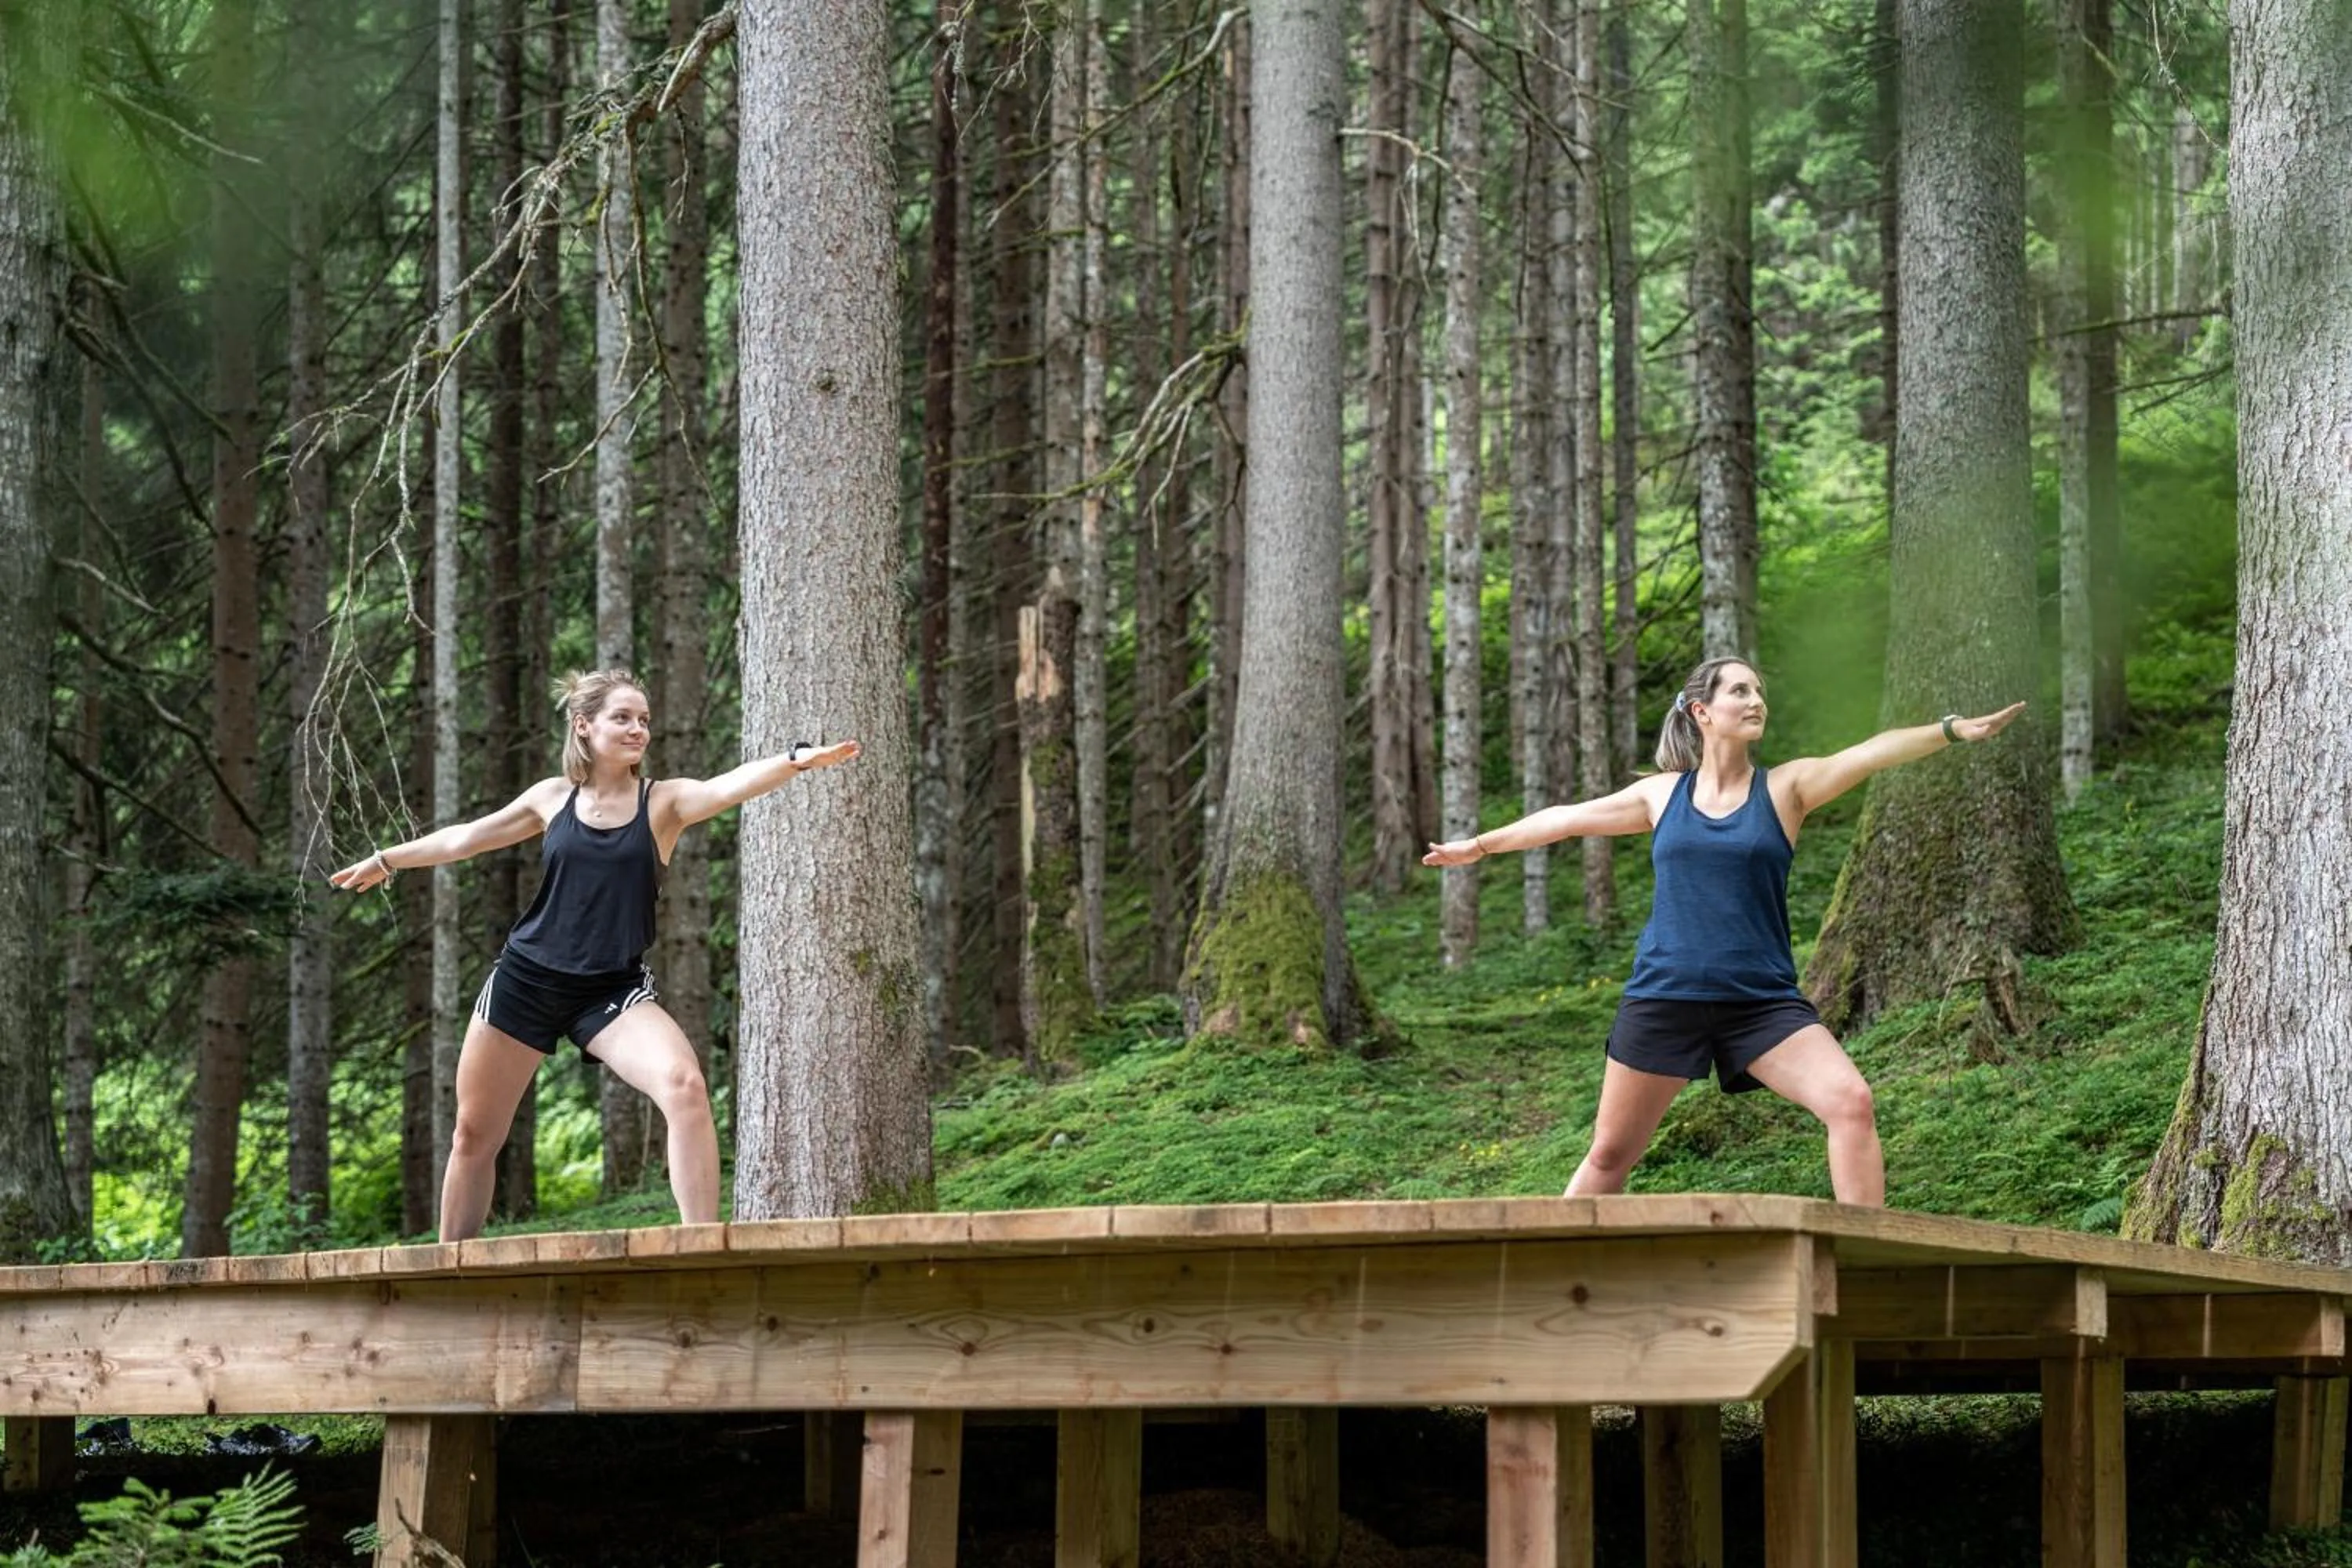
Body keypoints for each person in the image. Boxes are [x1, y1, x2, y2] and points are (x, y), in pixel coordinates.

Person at [1422, 656, 2023, 1207]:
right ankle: (1546, 1271)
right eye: (1740, 690)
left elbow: (1867, 753)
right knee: (1609, 1156)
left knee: (1851, 1103)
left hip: (1759, 1004)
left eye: (1759, 690)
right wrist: (1478, 845)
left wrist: (1949, 731)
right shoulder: (1661, 796)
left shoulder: (1787, 789)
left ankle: (1862, 1263)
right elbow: (1565, 820)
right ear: (1701, 711)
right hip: (1664, 997)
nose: (1756, 699)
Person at [331, 668, 860, 1242]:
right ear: (585, 726)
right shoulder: (552, 799)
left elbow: (730, 785)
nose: (639, 730)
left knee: (684, 1086)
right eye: (623, 718)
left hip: (610, 991)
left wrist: (796, 759)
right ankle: (448, 1270)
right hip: (525, 981)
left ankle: (703, 1251)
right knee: (473, 1135)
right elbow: (464, 837)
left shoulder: (664, 802)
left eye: (644, 720)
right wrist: (387, 859)